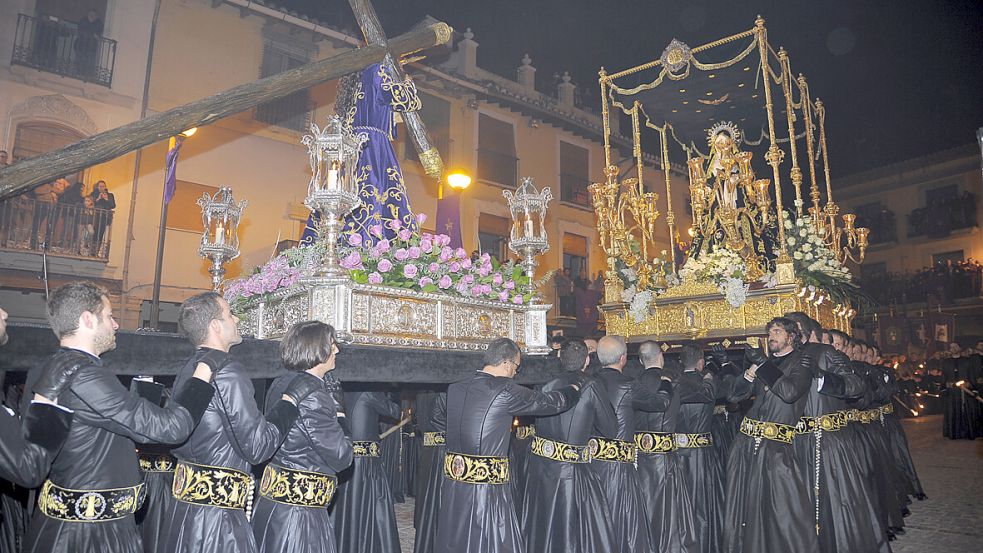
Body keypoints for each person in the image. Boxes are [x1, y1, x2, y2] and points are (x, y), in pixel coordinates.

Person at [21, 282, 216, 553]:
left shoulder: (42, 368)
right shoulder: (86, 375)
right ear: (88, 320)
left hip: (64, 525)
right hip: (91, 535)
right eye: (109, 316)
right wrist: (203, 374)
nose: (114, 325)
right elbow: (170, 428)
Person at [160, 292, 318, 553]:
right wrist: (289, 404)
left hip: (185, 510)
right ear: (215, 326)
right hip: (217, 522)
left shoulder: (190, 367)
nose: (236, 318)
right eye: (230, 313)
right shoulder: (228, 370)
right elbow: (258, 447)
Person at [434, 338, 580, 553]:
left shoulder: (455, 388)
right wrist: (574, 389)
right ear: (506, 364)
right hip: (487, 490)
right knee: (491, 541)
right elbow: (551, 402)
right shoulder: (505, 390)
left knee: (456, 538)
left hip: (453, 484)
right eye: (516, 367)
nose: (515, 373)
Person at [783, 313, 886, 553]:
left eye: (791, 329)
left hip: (827, 443)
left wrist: (823, 380)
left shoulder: (825, 353)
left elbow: (856, 385)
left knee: (836, 503)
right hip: (795, 443)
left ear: (802, 330)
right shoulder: (785, 358)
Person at [252, 321, 353, 553]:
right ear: (316, 348)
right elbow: (342, 456)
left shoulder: (281, 383)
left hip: (274, 505)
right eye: (332, 343)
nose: (336, 350)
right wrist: (340, 414)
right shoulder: (314, 396)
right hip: (299, 517)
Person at [724, 317, 818, 553]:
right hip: (745, 444)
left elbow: (789, 392)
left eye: (777, 331)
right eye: (769, 333)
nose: (771, 336)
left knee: (783, 509)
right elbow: (734, 398)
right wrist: (748, 374)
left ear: (792, 336)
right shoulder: (761, 364)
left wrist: (763, 364)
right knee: (742, 507)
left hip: (776, 448)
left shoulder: (802, 361)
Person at [522, 339, 616, 553]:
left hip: (542, 471)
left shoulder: (544, 383)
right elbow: (610, 429)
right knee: (576, 533)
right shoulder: (591, 385)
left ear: (560, 359)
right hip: (574, 475)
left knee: (544, 529)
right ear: (587, 360)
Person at [592, 336, 671, 553]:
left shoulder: (588, 382)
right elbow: (660, 403)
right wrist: (665, 383)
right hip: (619, 469)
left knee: (596, 520)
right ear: (623, 358)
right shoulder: (627, 384)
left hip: (590, 466)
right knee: (624, 523)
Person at [634, 340, 699, 553]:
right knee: (668, 515)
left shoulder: (631, 384)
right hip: (664, 459)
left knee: (641, 510)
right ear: (661, 356)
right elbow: (706, 395)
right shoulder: (673, 383)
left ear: (639, 359)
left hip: (636, 459)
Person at [328, 388, 401, 553]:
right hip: (367, 463)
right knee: (372, 507)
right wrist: (391, 390)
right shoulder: (370, 392)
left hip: (344, 459)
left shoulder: (339, 390)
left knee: (345, 507)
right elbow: (395, 412)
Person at [674, 344, 723, 553]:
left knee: (678, 504)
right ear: (701, 362)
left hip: (676, 454)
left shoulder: (672, 384)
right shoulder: (709, 383)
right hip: (702, 455)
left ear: (680, 362)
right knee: (702, 504)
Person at [412, 391, 446, 553]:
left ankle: (423, 521)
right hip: (442, 449)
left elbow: (416, 418)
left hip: (427, 446)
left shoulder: (421, 393)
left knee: (426, 487)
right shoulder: (444, 392)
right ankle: (437, 524)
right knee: (437, 490)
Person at [75, 9, 104, 81]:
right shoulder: (83, 20)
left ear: (96, 16)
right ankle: (78, 74)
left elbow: (98, 34)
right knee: (80, 59)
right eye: (90, 14)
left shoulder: (98, 23)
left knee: (88, 61)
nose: (92, 16)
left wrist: (93, 33)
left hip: (91, 47)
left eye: (93, 15)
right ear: (88, 14)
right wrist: (92, 33)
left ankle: (86, 76)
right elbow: (81, 30)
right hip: (80, 45)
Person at [90, 181, 115, 255]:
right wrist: (98, 198)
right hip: (94, 216)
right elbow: (90, 203)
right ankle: (89, 250)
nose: (102, 188)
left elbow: (113, 205)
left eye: (103, 186)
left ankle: (95, 251)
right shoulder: (93, 194)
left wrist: (106, 199)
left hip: (104, 217)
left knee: (100, 234)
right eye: (100, 186)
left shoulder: (110, 195)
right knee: (92, 233)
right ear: (97, 187)